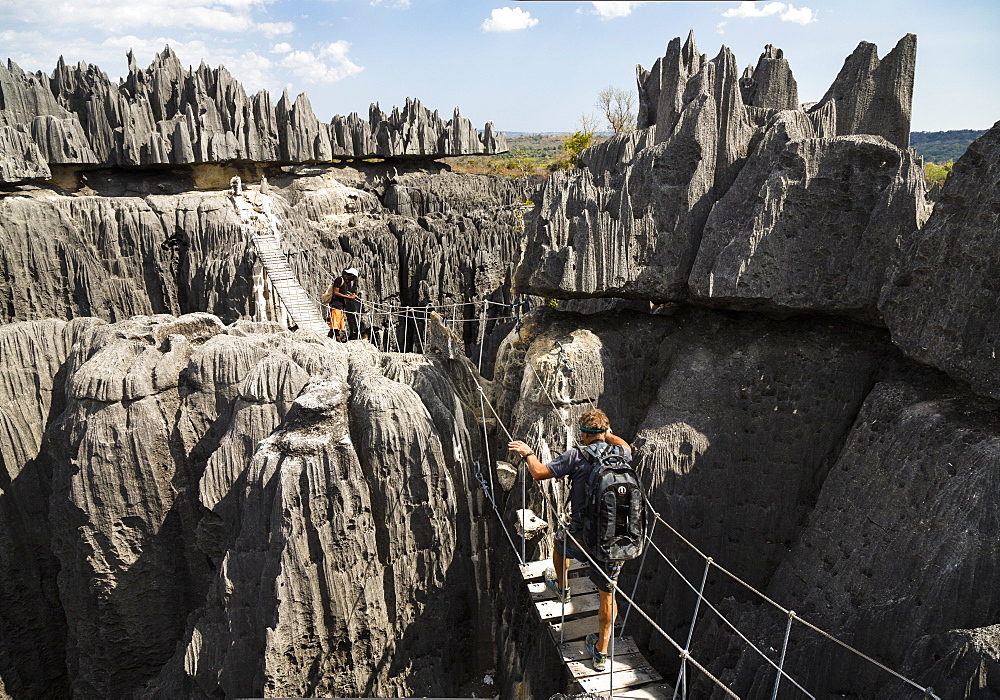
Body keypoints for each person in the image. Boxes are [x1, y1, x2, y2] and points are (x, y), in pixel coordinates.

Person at [508, 408, 631, 672]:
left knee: (558, 542)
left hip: (582, 535)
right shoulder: (621, 454)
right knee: (608, 594)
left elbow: (539, 472)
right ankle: (600, 653)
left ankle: (562, 589)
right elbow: (625, 444)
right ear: (606, 432)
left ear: (584, 435)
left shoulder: (576, 455)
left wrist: (528, 453)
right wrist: (609, 437)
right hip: (616, 539)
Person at [323, 267, 359, 342]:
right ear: (351, 275)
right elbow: (335, 293)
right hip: (335, 306)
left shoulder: (347, 282)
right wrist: (348, 297)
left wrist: (350, 296)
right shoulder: (339, 280)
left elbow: (343, 293)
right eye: (354, 278)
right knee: (335, 327)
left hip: (340, 307)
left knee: (335, 327)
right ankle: (337, 340)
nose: (354, 279)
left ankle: (331, 341)